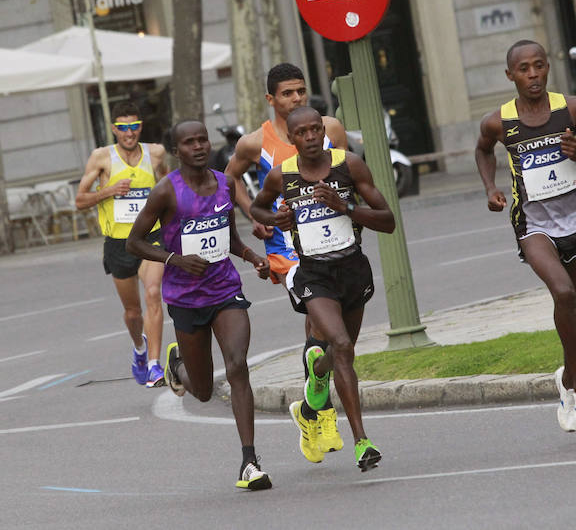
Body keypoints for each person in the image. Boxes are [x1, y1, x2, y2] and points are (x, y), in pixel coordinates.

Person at [126, 120, 272, 491]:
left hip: (225, 290)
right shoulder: (166, 192)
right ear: (177, 151)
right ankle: (178, 367)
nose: (198, 147)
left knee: (238, 366)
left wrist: (251, 255)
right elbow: (134, 242)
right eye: (189, 142)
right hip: (186, 298)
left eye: (202, 139)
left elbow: (229, 237)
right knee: (204, 390)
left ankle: (249, 461)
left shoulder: (225, 183)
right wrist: (174, 260)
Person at [474, 39, 576, 432]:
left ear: (547, 68)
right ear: (510, 75)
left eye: (538, 66)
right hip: (532, 223)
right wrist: (489, 188)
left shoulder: (572, 109)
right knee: (563, 294)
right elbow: (483, 150)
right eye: (524, 69)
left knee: (574, 310)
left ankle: (566, 381)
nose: (532, 74)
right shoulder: (498, 121)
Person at [251, 106, 394, 472]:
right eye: (303, 132)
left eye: (317, 129)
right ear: (292, 138)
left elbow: (387, 220)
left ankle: (318, 375)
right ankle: (363, 442)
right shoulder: (282, 176)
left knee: (342, 352)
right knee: (342, 345)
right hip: (313, 274)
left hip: (352, 270)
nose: (312, 136)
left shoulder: (350, 165)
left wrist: (344, 206)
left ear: (323, 132)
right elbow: (257, 208)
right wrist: (274, 219)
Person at [225, 63, 348, 452]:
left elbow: (347, 174)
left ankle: (310, 408)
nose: (296, 98)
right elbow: (229, 179)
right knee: (321, 320)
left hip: (331, 241)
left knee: (324, 327)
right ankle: (324, 415)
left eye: (301, 91)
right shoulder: (253, 143)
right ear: (271, 99)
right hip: (287, 248)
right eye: (288, 93)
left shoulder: (331, 129)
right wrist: (253, 217)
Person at [75, 101, 168, 387]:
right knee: (132, 312)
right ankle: (139, 350)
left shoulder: (156, 153)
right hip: (119, 243)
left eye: (134, 126)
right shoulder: (102, 158)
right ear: (114, 128)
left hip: (151, 237)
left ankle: (154, 365)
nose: (130, 133)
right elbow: (79, 201)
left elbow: (169, 187)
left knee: (153, 292)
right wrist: (110, 190)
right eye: (123, 127)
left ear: (141, 126)